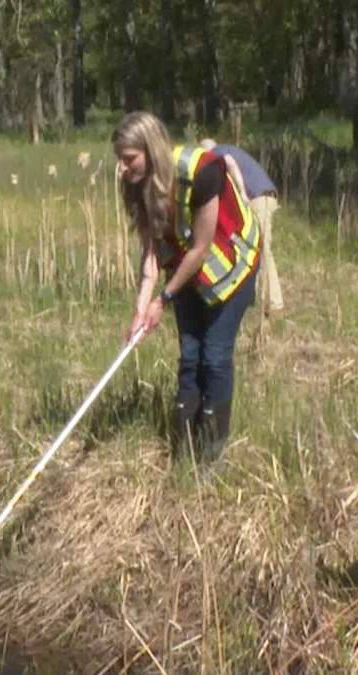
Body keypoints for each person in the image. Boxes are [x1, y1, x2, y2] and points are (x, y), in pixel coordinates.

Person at [112, 111, 261, 465]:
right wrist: (140, 312)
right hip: (188, 275)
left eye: (128, 158)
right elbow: (150, 254)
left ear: (149, 149)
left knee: (214, 355)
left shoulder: (203, 170)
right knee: (190, 356)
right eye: (119, 159)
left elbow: (201, 248)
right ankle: (184, 450)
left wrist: (163, 299)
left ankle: (210, 455)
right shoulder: (136, 185)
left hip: (231, 270)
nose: (122, 167)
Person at [200, 138, 283, 312]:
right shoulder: (229, 149)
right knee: (251, 249)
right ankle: (252, 299)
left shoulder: (217, 153)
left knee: (263, 251)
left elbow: (229, 163)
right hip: (266, 195)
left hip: (258, 199)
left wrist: (243, 194)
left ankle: (274, 304)